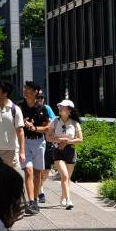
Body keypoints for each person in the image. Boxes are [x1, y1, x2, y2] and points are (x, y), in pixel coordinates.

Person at [18, 82, 50, 215]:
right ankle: (30, 201)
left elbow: (47, 127)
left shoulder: (41, 108)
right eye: (25, 88)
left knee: (37, 173)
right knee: (28, 171)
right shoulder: (19, 107)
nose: (25, 90)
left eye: (28, 89)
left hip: (39, 142)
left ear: (36, 92)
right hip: (24, 141)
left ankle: (35, 200)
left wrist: (34, 128)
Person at [46, 99, 83, 210]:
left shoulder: (74, 123)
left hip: (70, 150)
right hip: (58, 151)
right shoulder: (55, 122)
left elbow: (80, 139)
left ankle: (63, 197)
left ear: (69, 110)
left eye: (63, 107)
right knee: (64, 176)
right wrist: (59, 140)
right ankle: (68, 200)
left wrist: (67, 142)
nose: (60, 109)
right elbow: (48, 137)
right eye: (60, 107)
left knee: (67, 178)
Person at [36, 91, 56, 203]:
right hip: (34, 140)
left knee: (47, 168)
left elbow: (53, 121)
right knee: (38, 166)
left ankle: (38, 186)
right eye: (39, 97)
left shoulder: (47, 108)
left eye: (42, 97)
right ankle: (41, 191)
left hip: (47, 139)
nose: (41, 99)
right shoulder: (30, 108)